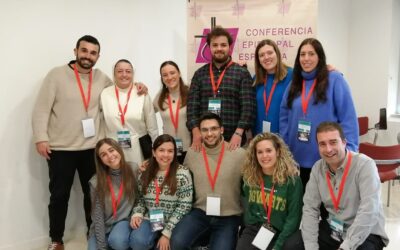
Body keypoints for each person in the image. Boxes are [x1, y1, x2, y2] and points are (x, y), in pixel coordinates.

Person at [32, 35, 113, 250]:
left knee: (93, 195)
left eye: (93, 53)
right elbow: (41, 108)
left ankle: (93, 233)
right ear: (75, 51)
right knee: (59, 195)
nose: (88, 56)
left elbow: (119, 94)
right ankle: (56, 239)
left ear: (98, 56)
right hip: (61, 149)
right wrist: (41, 137)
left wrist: (138, 87)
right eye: (84, 51)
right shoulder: (56, 75)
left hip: (92, 149)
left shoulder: (102, 78)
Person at [283, 122, 389, 250]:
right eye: (322, 144)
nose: (328, 149)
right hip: (334, 227)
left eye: (333, 142)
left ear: (344, 142)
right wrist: (311, 246)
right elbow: (310, 209)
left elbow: (369, 211)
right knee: (292, 245)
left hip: (366, 233)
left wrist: (346, 246)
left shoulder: (365, 165)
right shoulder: (317, 168)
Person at [279, 38, 358, 188]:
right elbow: (284, 114)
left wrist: (351, 152)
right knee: (303, 208)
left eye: (311, 54)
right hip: (296, 160)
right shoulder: (294, 83)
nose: (306, 58)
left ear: (319, 57)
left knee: (327, 206)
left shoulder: (334, 79)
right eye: (302, 54)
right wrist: (285, 140)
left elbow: (348, 118)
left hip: (327, 159)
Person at [171, 112, 246, 250]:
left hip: (228, 215)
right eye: (205, 130)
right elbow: (178, 173)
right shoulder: (193, 153)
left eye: (214, 129)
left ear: (221, 130)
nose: (209, 134)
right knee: (176, 242)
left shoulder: (239, 154)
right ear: (199, 132)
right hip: (200, 213)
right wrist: (150, 165)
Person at [187, 26, 255, 151]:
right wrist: (196, 132)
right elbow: (192, 108)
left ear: (229, 47)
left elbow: (248, 107)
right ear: (209, 47)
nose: (219, 48)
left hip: (233, 140)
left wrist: (239, 133)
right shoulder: (199, 74)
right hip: (205, 140)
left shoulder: (242, 73)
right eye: (215, 45)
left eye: (223, 45)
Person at [237, 132, 303, 250]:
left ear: (277, 152)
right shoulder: (250, 177)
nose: (264, 156)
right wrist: (249, 224)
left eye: (268, 150)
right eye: (260, 152)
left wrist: (278, 246)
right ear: (255, 155)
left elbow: (293, 219)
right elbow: (247, 204)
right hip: (255, 229)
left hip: (281, 232)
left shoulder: (292, 181)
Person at [130, 134, 193, 250]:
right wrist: (137, 213)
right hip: (151, 219)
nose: (165, 155)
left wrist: (167, 232)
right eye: (161, 150)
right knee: (137, 241)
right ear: (154, 153)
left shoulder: (183, 174)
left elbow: (184, 206)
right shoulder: (144, 173)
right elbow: (140, 200)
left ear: (175, 153)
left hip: (174, 222)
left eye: (170, 151)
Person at [101, 59, 158, 166]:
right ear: (114, 74)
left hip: (139, 147)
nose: (124, 75)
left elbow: (152, 126)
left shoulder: (142, 93)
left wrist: (156, 148)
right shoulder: (105, 94)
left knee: (138, 177)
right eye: (120, 71)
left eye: (128, 71)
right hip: (112, 148)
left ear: (133, 74)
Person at [87, 138, 138, 250]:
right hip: (103, 226)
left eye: (111, 150)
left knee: (117, 242)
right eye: (103, 154)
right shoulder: (95, 182)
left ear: (118, 150)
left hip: (123, 222)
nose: (110, 156)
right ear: (100, 160)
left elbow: (140, 199)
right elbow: (98, 215)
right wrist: (101, 246)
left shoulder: (134, 169)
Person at [253, 39, 293, 135]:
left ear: (277, 54)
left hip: (284, 137)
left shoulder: (292, 75)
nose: (266, 57)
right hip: (260, 137)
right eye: (261, 55)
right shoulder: (256, 79)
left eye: (270, 53)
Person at [153, 61, 191, 164]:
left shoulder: (190, 93)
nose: (169, 77)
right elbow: (145, 113)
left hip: (191, 148)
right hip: (168, 151)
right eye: (165, 75)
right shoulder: (159, 97)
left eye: (172, 73)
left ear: (179, 73)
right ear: (162, 78)